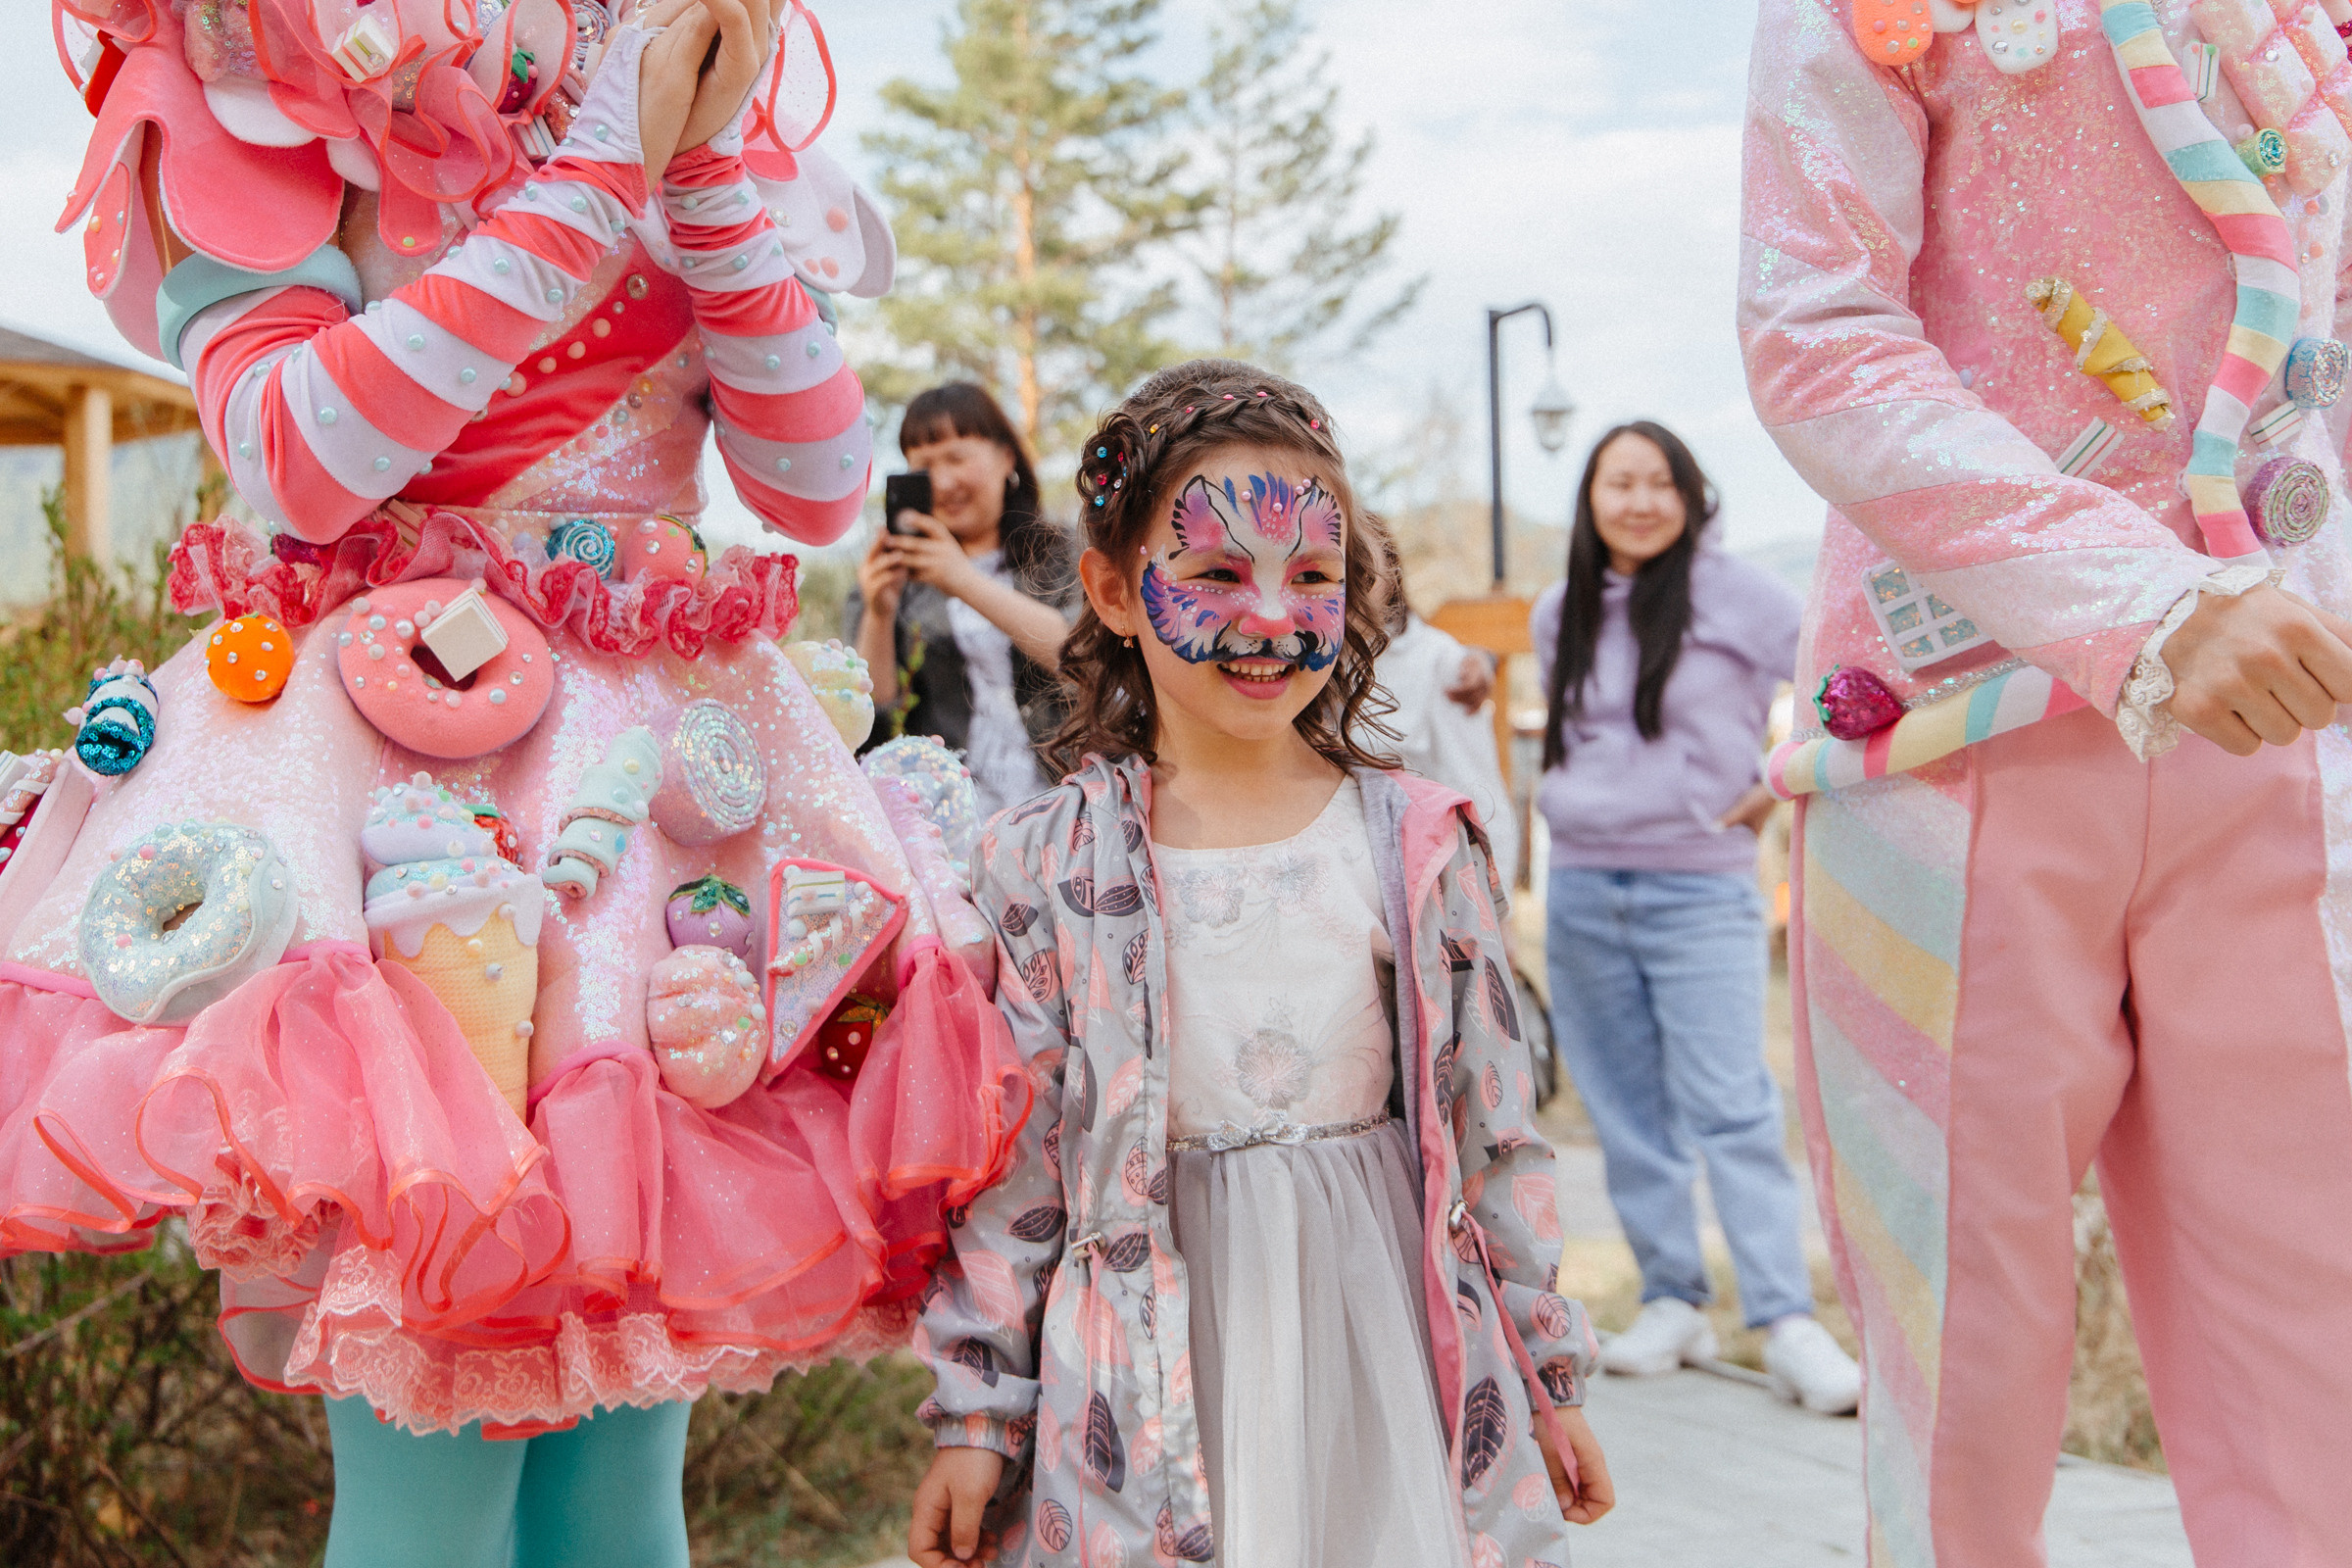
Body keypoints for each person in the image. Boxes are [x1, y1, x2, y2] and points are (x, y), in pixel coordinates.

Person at [0, 2, 1025, 1563]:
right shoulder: (259, 56)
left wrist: (694, 178)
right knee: (435, 1489)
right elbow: (296, 457)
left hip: (655, 820)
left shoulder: (679, 81)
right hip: (399, 801)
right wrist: (606, 168)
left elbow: (815, 481)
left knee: (621, 1495)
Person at [1742, 3, 2352, 1561]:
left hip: (2300, 724)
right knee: (1963, 1391)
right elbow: (1814, 321)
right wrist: (2143, 601)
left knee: (2319, 1376)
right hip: (1957, 723)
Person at [904, 361, 1611, 1568]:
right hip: (1149, 1355)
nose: (1273, 617)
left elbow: (1493, 1132)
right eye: (1220, 573)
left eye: (1313, 576)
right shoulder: (1041, 863)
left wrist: (1548, 1371)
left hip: (1378, 1329)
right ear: (1117, 590)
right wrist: (980, 1409)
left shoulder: (1422, 843)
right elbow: (1012, 1164)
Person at [1532, 420, 1859, 1415]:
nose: (1638, 500)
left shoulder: (1744, 594)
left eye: (1657, 482)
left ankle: (1784, 1317)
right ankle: (1673, 1298)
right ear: (1590, 499)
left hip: (1702, 886)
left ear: (1691, 493)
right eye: (1617, 482)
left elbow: (1839, 673)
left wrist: (1779, 779)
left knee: (1731, 1104)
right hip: (1585, 884)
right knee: (1625, 1108)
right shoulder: (1562, 611)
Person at [850, 383, 1077, 815]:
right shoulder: (895, 579)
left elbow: (1086, 660)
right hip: (952, 821)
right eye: (923, 466)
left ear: (1007, 456)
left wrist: (962, 579)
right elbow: (873, 719)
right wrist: (878, 613)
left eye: (956, 457)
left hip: (1070, 806)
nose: (943, 481)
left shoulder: (1064, 553)